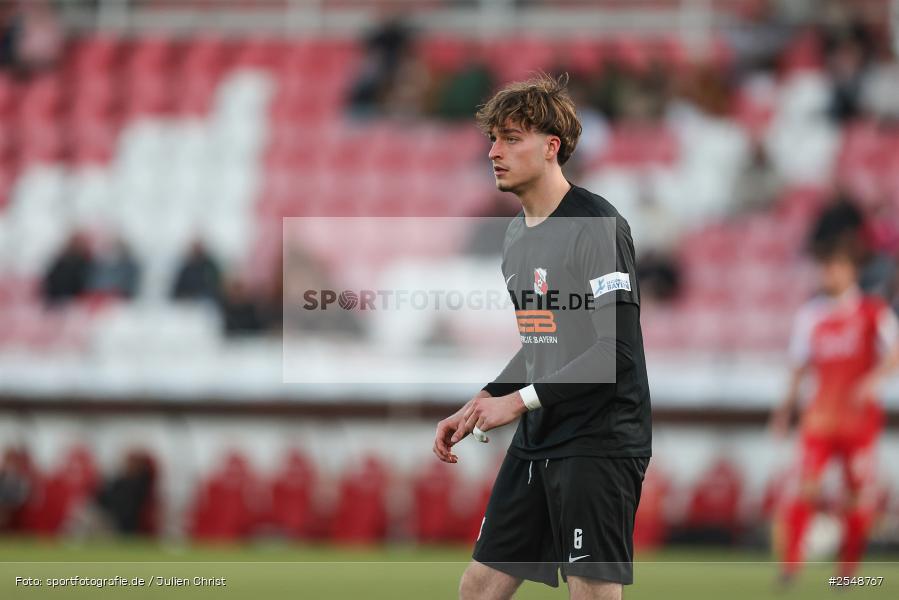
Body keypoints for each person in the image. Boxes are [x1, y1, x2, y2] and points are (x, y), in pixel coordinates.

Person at [432, 74, 652, 600]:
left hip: (598, 440)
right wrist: (487, 396)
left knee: (591, 593)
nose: (494, 152)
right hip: (540, 436)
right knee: (478, 588)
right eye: (493, 139)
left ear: (552, 147)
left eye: (511, 138)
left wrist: (519, 403)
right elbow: (541, 341)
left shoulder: (598, 225)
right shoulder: (515, 237)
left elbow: (614, 351)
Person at [770, 239, 899, 583]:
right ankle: (791, 567)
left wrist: (873, 379)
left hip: (859, 421)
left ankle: (847, 571)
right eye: (825, 267)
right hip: (820, 419)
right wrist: (785, 410)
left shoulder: (873, 311)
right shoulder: (811, 315)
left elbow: (894, 352)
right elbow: (799, 366)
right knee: (805, 488)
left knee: (856, 496)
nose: (828, 273)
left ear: (851, 271)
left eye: (835, 267)